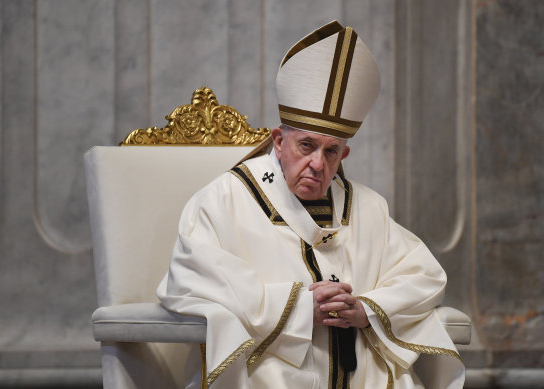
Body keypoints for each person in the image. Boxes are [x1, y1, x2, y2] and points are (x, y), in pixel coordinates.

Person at [157, 20, 465, 389]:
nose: (318, 164)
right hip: (268, 375)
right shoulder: (225, 198)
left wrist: (366, 309)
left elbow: (425, 277)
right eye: (306, 146)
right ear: (278, 141)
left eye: (330, 151)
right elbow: (190, 277)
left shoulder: (367, 208)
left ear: (343, 154)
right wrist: (300, 308)